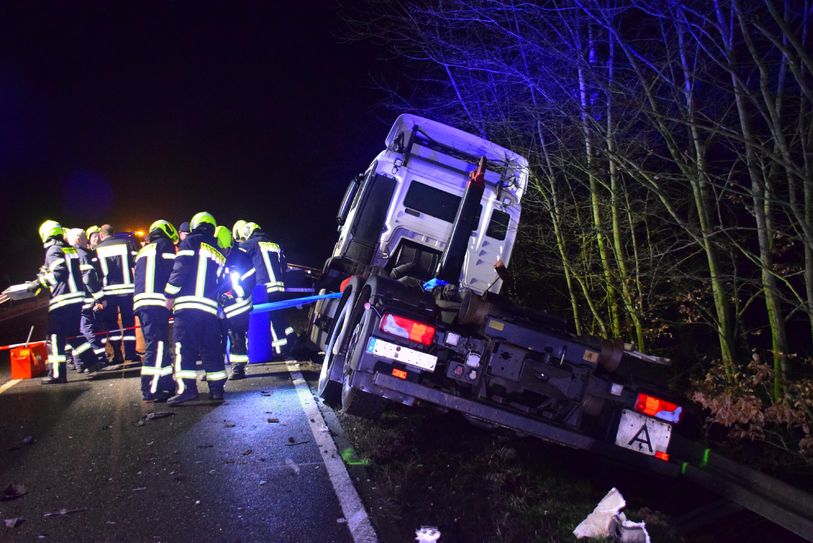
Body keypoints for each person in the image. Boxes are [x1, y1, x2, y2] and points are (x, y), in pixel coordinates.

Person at [164, 212, 227, 404]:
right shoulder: (218, 249)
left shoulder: (190, 242)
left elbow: (180, 269)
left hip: (188, 307)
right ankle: (217, 390)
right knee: (211, 348)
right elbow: (222, 281)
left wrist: (169, 294)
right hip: (209, 309)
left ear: (194, 225)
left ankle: (187, 390)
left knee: (185, 348)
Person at [30, 220, 103, 384]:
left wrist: (38, 283)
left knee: (54, 337)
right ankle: (92, 362)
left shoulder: (53, 249)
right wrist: (43, 275)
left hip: (62, 301)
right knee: (73, 334)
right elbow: (63, 269)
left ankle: (58, 375)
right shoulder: (69, 249)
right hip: (76, 300)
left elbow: (59, 272)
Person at [134, 220, 179, 402]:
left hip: (142, 302)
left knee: (159, 345)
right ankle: (150, 388)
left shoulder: (144, 248)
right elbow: (173, 273)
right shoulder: (165, 245)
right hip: (157, 302)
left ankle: (166, 384)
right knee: (156, 345)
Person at [240, 221, 295, 361]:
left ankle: (279, 350)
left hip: (264, 288)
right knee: (278, 318)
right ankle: (289, 343)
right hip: (280, 287)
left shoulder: (251, 244)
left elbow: (238, 256)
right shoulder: (274, 244)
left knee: (269, 320)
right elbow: (284, 266)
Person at [214, 225, 255, 380]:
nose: (221, 252)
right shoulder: (215, 256)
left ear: (229, 246)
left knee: (236, 336)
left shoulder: (242, 259)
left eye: (222, 249)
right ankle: (215, 369)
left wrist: (230, 295)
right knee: (217, 337)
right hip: (220, 306)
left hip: (239, 306)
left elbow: (249, 284)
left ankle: (238, 368)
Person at [64, 228, 107, 372]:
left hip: (73, 300)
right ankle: (96, 359)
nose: (86, 241)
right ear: (77, 239)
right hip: (86, 300)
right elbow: (89, 279)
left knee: (78, 331)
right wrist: (100, 298)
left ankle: (80, 363)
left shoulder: (68, 254)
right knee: (87, 330)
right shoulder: (82, 254)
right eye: (83, 238)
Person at [95, 224, 139, 364]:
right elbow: (136, 264)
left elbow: (94, 273)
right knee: (128, 323)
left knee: (112, 323)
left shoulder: (97, 249)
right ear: (113, 233)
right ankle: (131, 354)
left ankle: (117, 354)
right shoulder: (126, 244)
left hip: (108, 293)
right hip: (127, 291)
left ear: (102, 235)